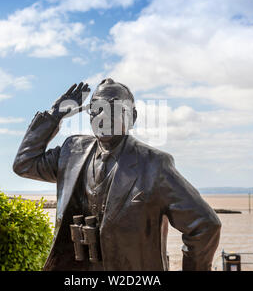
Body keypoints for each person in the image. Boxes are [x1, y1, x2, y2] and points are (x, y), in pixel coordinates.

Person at [13, 78, 221, 270]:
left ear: (132, 117)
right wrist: (54, 115)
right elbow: (25, 163)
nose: (102, 116)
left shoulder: (153, 165)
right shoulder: (72, 151)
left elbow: (204, 225)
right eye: (95, 109)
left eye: (112, 109)